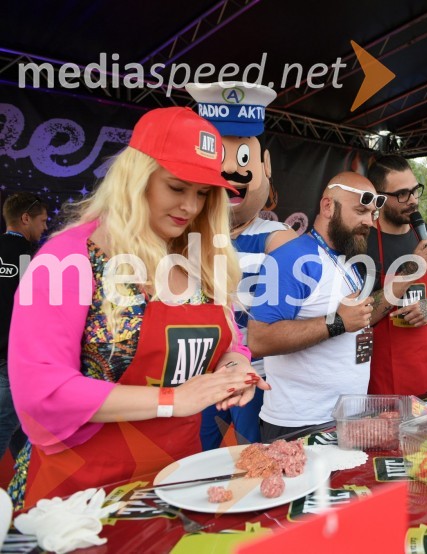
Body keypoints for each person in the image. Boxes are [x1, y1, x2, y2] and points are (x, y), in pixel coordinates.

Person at [7, 107, 269, 509]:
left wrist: (233, 369)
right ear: (136, 177)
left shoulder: (201, 260)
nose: (190, 206)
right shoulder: (68, 259)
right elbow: (41, 392)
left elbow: (231, 343)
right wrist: (173, 399)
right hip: (80, 495)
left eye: (202, 194)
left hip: (175, 482)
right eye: (177, 187)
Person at [187, 81, 297, 450]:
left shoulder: (275, 236)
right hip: (199, 374)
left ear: (264, 166)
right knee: (198, 453)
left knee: (254, 453)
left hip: (256, 373)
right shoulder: (185, 233)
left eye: (244, 159)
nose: (232, 172)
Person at [248, 172, 377, 441]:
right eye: (361, 211)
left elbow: (355, 320)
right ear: (328, 206)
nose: (370, 222)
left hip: (344, 419)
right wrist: (337, 322)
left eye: (373, 214)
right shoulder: (292, 257)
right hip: (300, 424)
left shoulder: (346, 260)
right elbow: (259, 339)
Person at [364, 155, 427, 395]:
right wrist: (412, 269)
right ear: (379, 198)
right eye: (402, 194)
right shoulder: (362, 241)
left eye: (415, 190)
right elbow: (364, 317)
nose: (412, 200)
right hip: (384, 371)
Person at [1, 193, 48, 461]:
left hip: (8, 358)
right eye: (42, 221)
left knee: (21, 428)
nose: (44, 228)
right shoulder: (37, 258)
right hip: (16, 358)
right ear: (25, 218)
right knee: (6, 425)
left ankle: (25, 480)